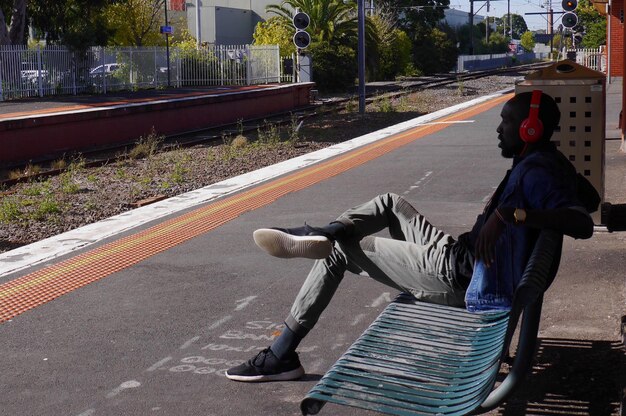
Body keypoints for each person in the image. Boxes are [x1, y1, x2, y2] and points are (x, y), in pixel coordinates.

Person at [225, 91, 595, 382]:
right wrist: (541, 199)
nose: (499, 129)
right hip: (458, 255)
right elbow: (590, 198)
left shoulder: (537, 171)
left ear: (531, 129)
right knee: (390, 203)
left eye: (507, 122)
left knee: (339, 253)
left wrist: (512, 214)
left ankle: (281, 355)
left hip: (457, 278)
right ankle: (322, 232)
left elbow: (583, 223)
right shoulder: (546, 160)